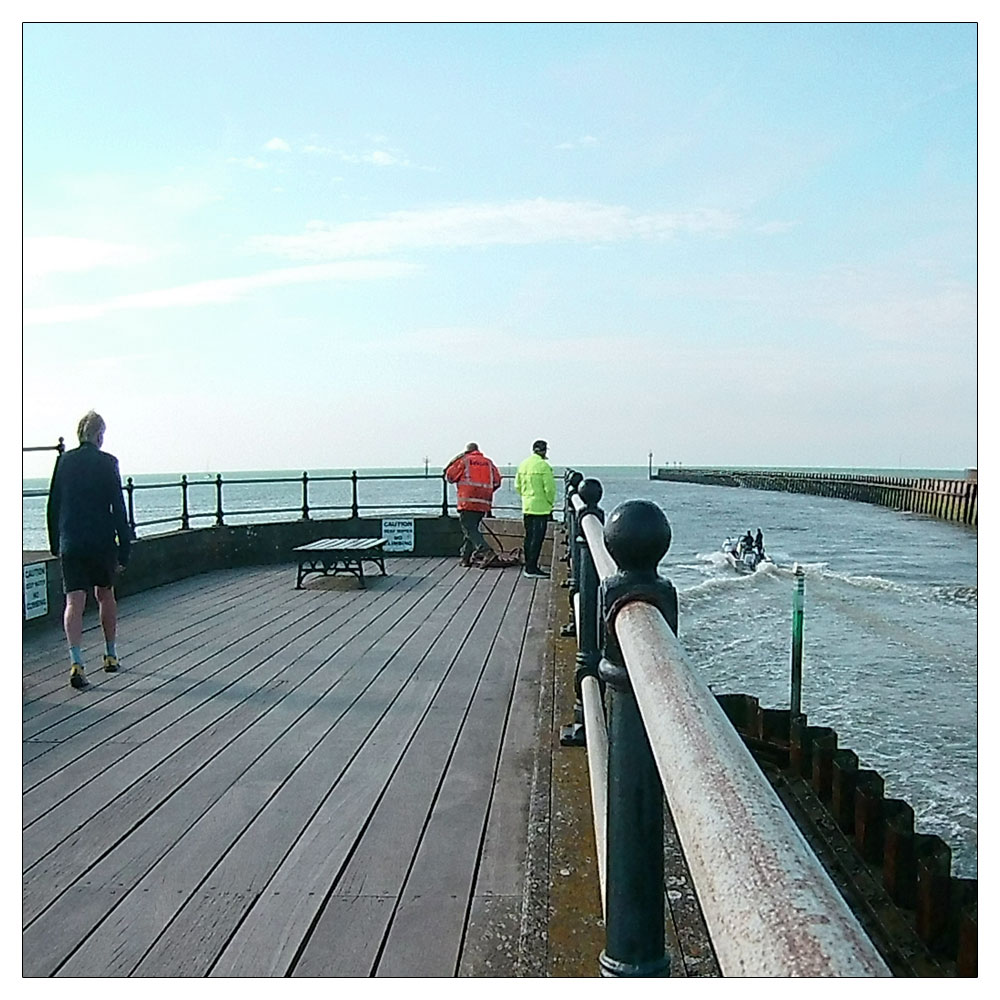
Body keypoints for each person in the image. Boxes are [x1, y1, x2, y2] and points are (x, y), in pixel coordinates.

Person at [46, 411, 132, 689]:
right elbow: (118, 508)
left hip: (71, 541)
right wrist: (125, 548)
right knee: (105, 594)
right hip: (101, 542)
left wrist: (55, 543)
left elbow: (53, 506)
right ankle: (110, 654)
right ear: (99, 435)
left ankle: (76, 661)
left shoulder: (64, 461)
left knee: (74, 602)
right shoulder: (108, 463)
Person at [444, 442, 503, 567]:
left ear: (467, 451)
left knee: (469, 529)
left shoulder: (464, 461)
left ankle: (486, 551)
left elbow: (449, 476)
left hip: (468, 501)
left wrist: (455, 459)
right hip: (484, 502)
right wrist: (487, 492)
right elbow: (497, 481)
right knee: (472, 529)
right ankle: (465, 558)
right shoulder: (488, 462)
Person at [514, 439, 556, 579]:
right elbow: (549, 489)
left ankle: (528, 566)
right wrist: (550, 503)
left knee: (529, 537)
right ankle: (532, 568)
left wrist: (526, 497)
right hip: (541, 508)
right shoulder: (544, 466)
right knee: (537, 539)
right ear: (544, 451)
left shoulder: (524, 464)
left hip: (527, 506)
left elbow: (517, 486)